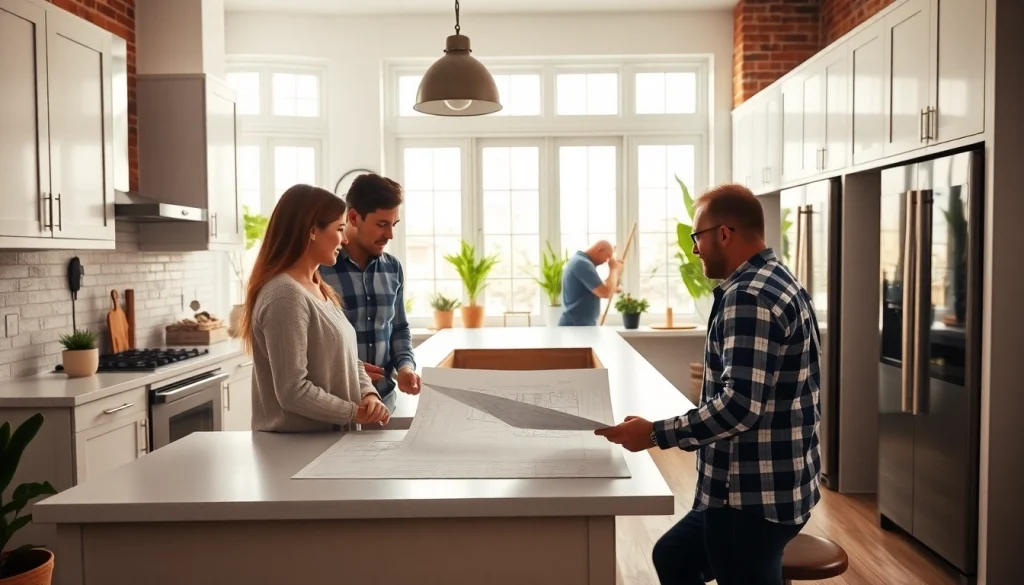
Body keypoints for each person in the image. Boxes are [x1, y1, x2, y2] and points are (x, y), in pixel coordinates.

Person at [595, 184, 822, 585]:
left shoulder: (749, 297)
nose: (695, 249)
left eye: (696, 237)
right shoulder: (780, 278)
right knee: (673, 557)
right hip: (778, 487)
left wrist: (654, 433)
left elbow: (739, 406)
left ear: (723, 233)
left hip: (750, 502)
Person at [240, 184, 390, 432]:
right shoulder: (284, 296)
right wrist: (354, 412)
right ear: (312, 231)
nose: (344, 239)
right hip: (295, 452)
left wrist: (368, 396)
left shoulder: (320, 288)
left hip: (325, 446)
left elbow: (351, 361)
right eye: (339, 229)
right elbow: (293, 391)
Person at [322, 173, 418, 414]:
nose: (390, 235)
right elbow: (314, 343)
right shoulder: (320, 269)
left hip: (385, 404)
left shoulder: (393, 268)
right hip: (337, 405)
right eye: (382, 224)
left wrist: (405, 367)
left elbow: (399, 328)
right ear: (353, 217)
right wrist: (348, 368)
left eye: (393, 225)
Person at [558, 240, 623, 326]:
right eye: (607, 257)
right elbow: (605, 292)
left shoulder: (580, 261)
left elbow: (602, 287)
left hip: (578, 325)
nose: (606, 262)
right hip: (576, 326)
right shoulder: (582, 264)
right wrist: (614, 269)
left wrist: (613, 287)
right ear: (599, 250)